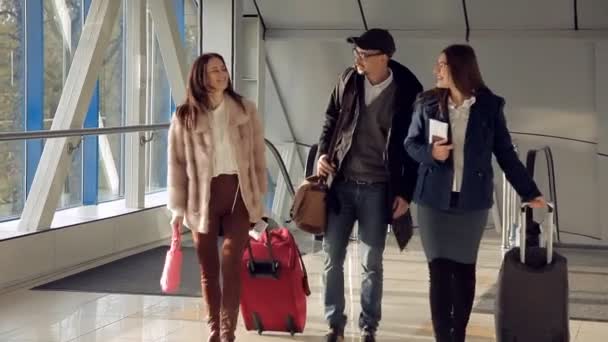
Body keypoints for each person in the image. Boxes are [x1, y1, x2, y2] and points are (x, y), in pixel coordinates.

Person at [404, 44, 547, 342]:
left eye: (442, 65)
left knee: (464, 270)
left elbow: (506, 154)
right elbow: (410, 144)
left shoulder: (489, 107)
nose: (436, 70)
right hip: (433, 201)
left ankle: (459, 334)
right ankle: (444, 337)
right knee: (439, 272)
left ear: (459, 67)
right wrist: (432, 153)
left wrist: (529, 192)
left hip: (471, 203)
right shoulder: (426, 103)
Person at [317, 28, 422, 342]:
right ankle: (334, 323)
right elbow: (330, 118)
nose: (358, 59)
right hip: (342, 185)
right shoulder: (348, 80)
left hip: (379, 189)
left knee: (371, 262)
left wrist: (406, 193)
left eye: (364, 54)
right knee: (331, 257)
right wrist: (323, 152)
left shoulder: (408, 91)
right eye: (356, 54)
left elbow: (413, 147)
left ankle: (368, 327)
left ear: (385, 58)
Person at [167, 53, 267, 342]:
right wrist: (176, 210)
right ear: (201, 76)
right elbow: (176, 165)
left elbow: (258, 158)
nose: (222, 74)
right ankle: (213, 327)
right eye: (215, 71)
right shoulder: (184, 115)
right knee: (208, 267)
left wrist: (258, 204)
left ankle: (227, 332)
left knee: (231, 262)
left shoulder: (245, 109)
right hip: (202, 200)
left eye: (223, 69)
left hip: (238, 196)